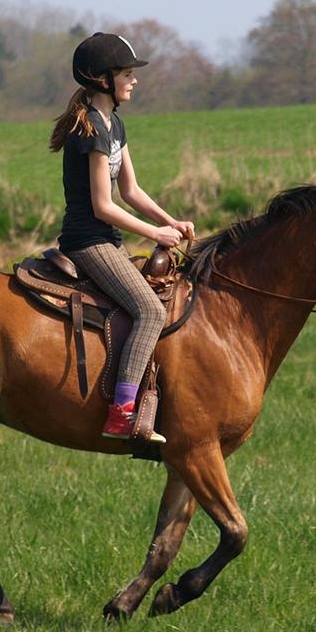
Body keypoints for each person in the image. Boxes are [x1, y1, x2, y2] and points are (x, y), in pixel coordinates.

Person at [49, 32, 194, 443]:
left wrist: (173, 222)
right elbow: (103, 205)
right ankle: (121, 413)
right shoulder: (91, 129)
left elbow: (131, 191)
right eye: (127, 74)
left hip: (108, 240)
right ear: (102, 80)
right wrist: (154, 233)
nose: (134, 81)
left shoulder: (114, 124)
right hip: (88, 241)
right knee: (150, 310)